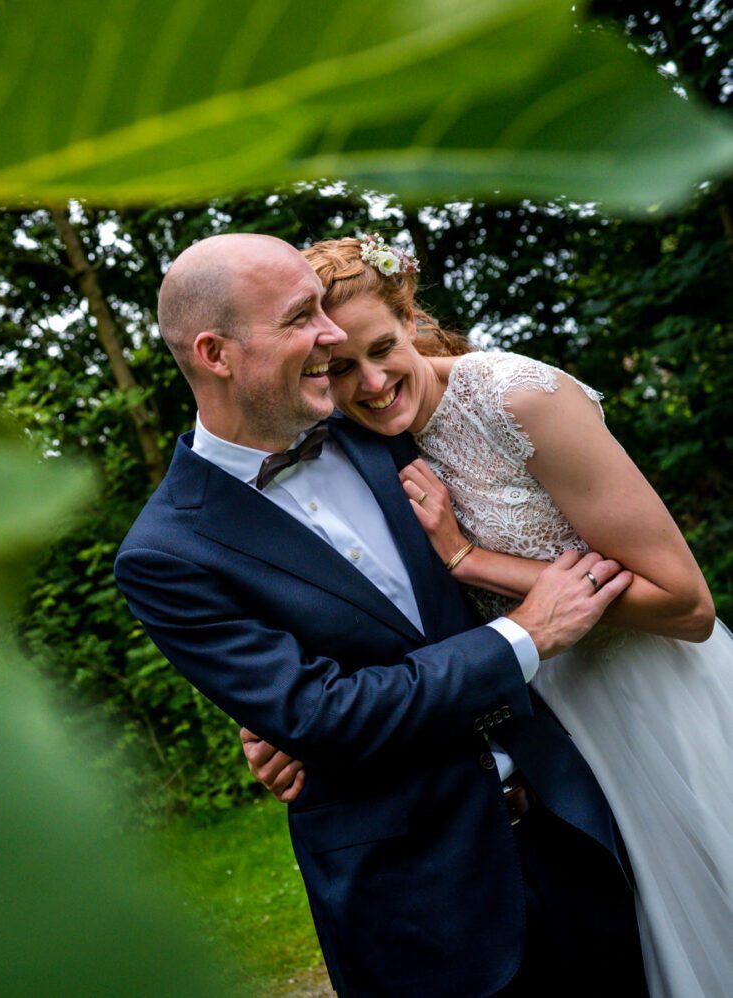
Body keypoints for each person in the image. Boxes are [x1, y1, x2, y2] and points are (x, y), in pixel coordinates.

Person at [115, 233, 647, 998]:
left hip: (570, 835)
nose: (331, 336)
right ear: (216, 353)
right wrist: (523, 636)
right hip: (421, 910)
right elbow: (320, 715)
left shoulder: (376, 425)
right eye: (302, 317)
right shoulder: (167, 554)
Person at [245, 234, 733, 997]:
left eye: (382, 348)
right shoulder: (356, 449)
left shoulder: (518, 398)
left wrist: (470, 561)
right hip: (550, 746)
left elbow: (687, 603)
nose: (372, 383)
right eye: (340, 368)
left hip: (649, 705)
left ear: (408, 313)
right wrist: (282, 722)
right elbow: (365, 610)